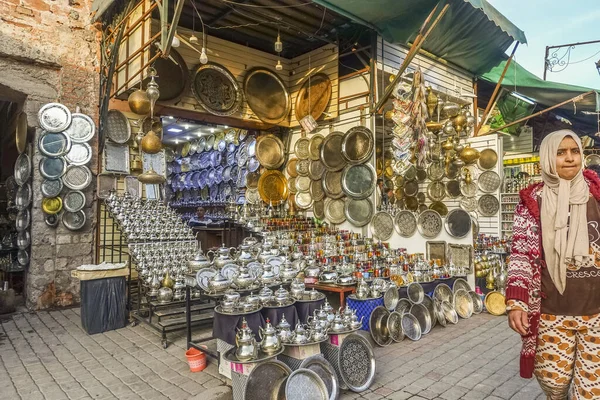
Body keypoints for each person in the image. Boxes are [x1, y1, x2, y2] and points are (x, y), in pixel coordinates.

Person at [506, 130, 600, 399]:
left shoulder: (597, 195)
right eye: (561, 152)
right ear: (547, 158)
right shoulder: (532, 202)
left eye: (575, 151)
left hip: (596, 314)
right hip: (551, 314)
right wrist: (517, 302)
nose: (570, 158)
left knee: (591, 394)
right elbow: (521, 255)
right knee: (554, 385)